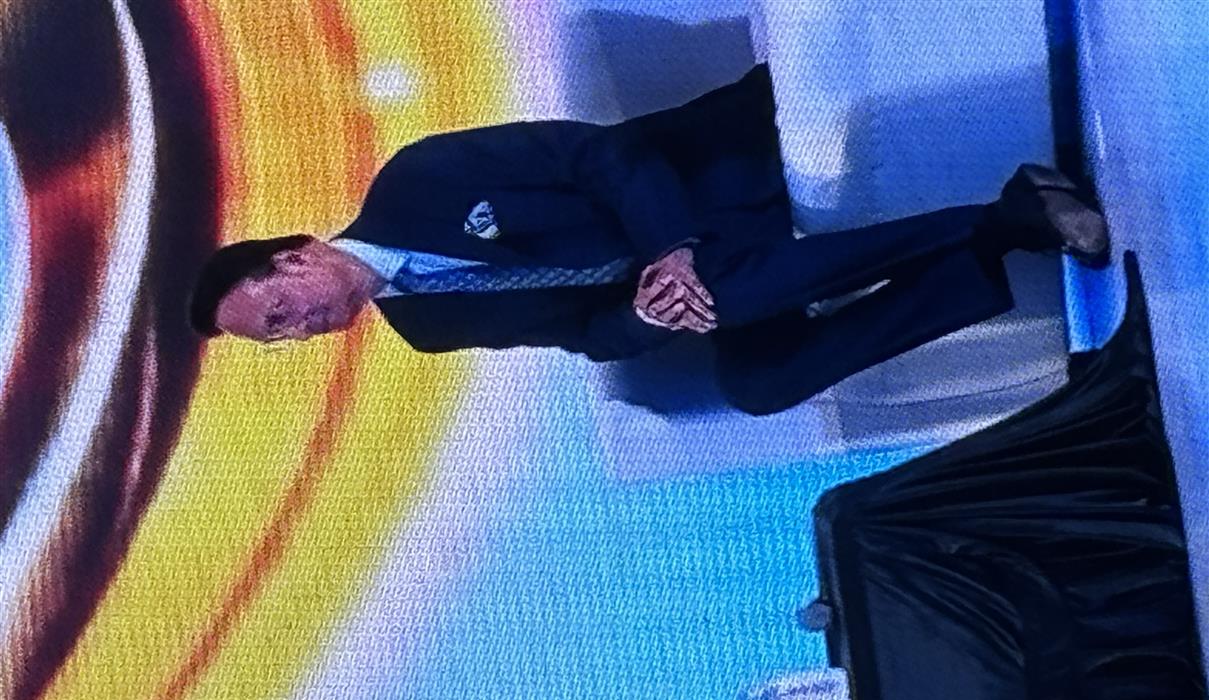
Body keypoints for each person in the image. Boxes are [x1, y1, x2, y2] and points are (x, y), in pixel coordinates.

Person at [190, 63, 1109, 416]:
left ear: (295, 257)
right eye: (278, 338)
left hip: (709, 178)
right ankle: (988, 242)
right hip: (700, 281)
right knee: (756, 382)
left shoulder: (415, 180)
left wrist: (668, 250)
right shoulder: (426, 326)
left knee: (726, 293)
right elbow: (583, 335)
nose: (295, 331)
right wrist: (644, 314)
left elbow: (603, 155)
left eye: (278, 312)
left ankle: (1011, 223)